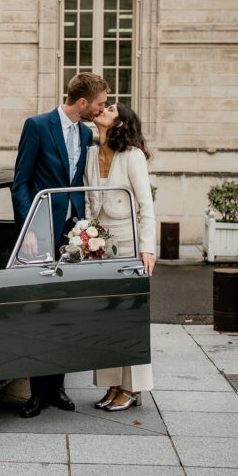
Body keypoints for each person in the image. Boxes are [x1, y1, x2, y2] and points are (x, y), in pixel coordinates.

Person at [11, 72, 109, 417]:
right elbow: (20, 182)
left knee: (66, 310)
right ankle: (37, 393)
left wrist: (84, 228)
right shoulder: (37, 126)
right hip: (42, 231)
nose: (102, 109)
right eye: (99, 103)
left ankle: (59, 389)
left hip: (74, 232)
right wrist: (29, 226)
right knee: (41, 310)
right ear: (82, 103)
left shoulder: (85, 132)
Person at [84, 102, 156, 412]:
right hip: (99, 248)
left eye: (111, 108)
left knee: (130, 318)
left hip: (129, 247)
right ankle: (113, 385)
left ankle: (131, 388)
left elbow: (145, 205)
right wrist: (85, 239)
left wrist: (148, 248)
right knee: (105, 318)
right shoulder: (89, 154)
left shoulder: (132, 156)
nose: (103, 109)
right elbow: (89, 201)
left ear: (121, 123)